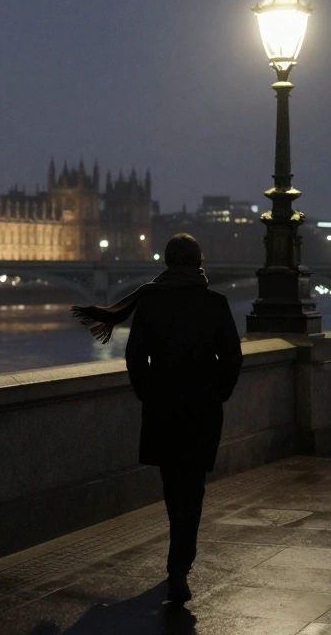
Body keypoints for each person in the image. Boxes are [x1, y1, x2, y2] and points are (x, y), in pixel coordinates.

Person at [72, 233, 242, 605]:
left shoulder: (150, 303)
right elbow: (232, 358)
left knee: (171, 483)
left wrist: (148, 392)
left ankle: (178, 559)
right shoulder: (215, 303)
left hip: (163, 405)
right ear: (199, 263)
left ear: (166, 263)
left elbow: (135, 357)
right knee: (193, 485)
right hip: (201, 407)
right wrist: (218, 393)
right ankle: (180, 563)